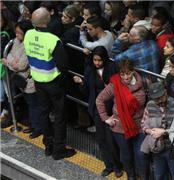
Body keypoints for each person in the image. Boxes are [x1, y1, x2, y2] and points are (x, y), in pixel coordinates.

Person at [23, 7, 76, 160]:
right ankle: (59, 149)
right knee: (59, 116)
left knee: (44, 113)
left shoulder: (28, 34)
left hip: (38, 81)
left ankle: (48, 145)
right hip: (53, 82)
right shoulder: (53, 40)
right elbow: (63, 65)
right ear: (49, 21)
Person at [73, 46, 122, 177]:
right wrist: (81, 83)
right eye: (95, 60)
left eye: (99, 60)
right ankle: (109, 165)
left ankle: (118, 166)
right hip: (97, 109)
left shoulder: (112, 68)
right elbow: (87, 90)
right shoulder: (90, 70)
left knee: (111, 139)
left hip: (112, 108)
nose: (97, 63)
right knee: (101, 138)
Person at [96, 60, 149, 180]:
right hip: (120, 127)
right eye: (122, 74)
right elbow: (99, 100)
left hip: (139, 126)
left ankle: (144, 176)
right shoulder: (115, 84)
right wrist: (106, 118)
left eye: (128, 73)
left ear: (133, 71)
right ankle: (131, 176)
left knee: (141, 154)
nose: (125, 77)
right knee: (126, 155)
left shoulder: (144, 82)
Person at [2, 20, 42, 139]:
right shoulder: (15, 41)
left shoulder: (30, 45)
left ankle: (37, 127)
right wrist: (12, 62)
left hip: (30, 81)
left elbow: (21, 66)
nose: (17, 35)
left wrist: (10, 63)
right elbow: (8, 54)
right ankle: (33, 124)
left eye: (20, 33)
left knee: (34, 105)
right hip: (20, 80)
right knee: (29, 103)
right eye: (16, 32)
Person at [141, 82, 174, 180]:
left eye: (160, 97)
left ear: (165, 92)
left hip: (173, 148)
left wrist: (164, 132)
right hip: (157, 149)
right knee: (159, 176)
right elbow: (143, 124)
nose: (158, 101)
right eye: (155, 99)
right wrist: (150, 131)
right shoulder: (150, 105)